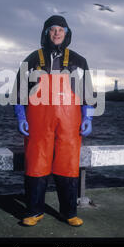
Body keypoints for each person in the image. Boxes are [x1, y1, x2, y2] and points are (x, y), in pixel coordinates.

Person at [13, 15, 94, 227]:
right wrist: (21, 116)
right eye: (52, 29)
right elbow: (18, 93)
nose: (57, 33)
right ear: (46, 33)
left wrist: (88, 117)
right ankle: (34, 211)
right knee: (36, 165)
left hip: (70, 122)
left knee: (68, 166)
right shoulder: (31, 59)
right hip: (38, 122)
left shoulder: (79, 61)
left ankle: (69, 213)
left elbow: (88, 94)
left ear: (67, 33)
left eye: (61, 29)